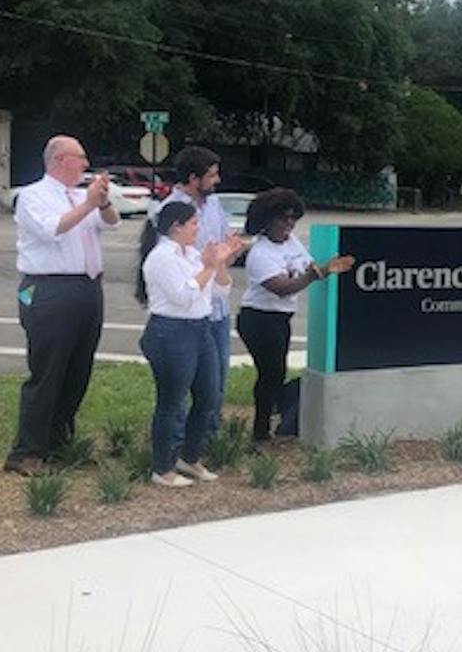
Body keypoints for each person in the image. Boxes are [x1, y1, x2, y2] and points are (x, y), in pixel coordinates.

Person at [5, 136, 118, 476]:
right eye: (80, 158)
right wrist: (86, 205)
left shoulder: (79, 196)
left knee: (78, 369)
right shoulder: (33, 196)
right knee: (48, 370)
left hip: (87, 287)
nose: (85, 164)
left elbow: (110, 222)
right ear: (60, 160)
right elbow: (51, 229)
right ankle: (26, 450)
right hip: (48, 288)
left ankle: (58, 441)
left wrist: (101, 201)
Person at [136, 201, 244, 487]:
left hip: (201, 328)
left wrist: (219, 262)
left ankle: (190, 456)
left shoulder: (193, 254)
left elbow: (221, 290)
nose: (198, 228)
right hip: (170, 331)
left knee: (208, 396)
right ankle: (163, 467)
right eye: (194, 223)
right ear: (176, 227)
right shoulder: (161, 257)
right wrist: (208, 266)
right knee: (172, 400)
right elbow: (183, 296)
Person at [237, 188, 354, 442]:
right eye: (283, 218)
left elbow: (307, 265)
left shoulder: (291, 242)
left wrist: (323, 268)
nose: (289, 224)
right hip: (258, 318)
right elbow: (282, 288)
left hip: (281, 318)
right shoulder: (260, 253)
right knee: (270, 373)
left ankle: (275, 419)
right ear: (267, 220)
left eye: (293, 218)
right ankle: (260, 433)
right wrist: (317, 274)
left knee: (275, 373)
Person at [159, 146, 231, 435]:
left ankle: (207, 438)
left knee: (217, 380)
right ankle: (178, 442)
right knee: (184, 384)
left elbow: (223, 246)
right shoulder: (171, 210)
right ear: (193, 178)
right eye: (211, 175)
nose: (217, 180)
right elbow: (169, 260)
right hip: (188, 311)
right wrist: (209, 263)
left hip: (218, 309)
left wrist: (228, 252)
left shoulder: (214, 205)